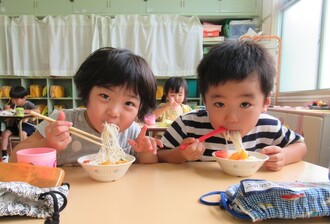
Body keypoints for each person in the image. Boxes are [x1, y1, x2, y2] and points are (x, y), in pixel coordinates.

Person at [157, 41, 307, 171]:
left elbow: (300, 146)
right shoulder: (188, 125)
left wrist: (284, 156)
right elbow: (158, 155)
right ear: (205, 102)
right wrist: (180, 154)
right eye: (219, 104)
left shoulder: (269, 126)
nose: (231, 118)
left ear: (264, 103)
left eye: (245, 104)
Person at [10, 47, 163, 166]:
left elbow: (146, 173)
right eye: (105, 96)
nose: (114, 112)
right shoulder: (63, 122)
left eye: (129, 103)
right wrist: (47, 144)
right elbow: (13, 159)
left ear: (139, 109)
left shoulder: (133, 133)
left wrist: (146, 153)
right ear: (86, 94)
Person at [1, 86, 40, 162]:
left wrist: (24, 111)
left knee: (22, 134)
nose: (14, 101)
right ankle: (4, 155)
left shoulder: (28, 104)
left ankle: (25, 152)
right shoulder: (14, 105)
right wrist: (7, 108)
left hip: (27, 125)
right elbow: (9, 109)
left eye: (16, 99)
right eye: (12, 99)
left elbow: (37, 111)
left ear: (24, 97)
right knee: (5, 134)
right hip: (15, 125)